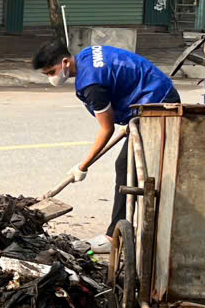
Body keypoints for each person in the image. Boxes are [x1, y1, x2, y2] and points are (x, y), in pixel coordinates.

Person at [33, 40, 179, 238]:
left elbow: (106, 128)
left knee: (126, 166)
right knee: (132, 166)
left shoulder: (91, 84)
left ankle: (115, 235)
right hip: (153, 96)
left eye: (52, 72)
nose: (52, 78)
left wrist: (83, 166)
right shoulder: (86, 55)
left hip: (157, 106)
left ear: (65, 62)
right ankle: (131, 229)